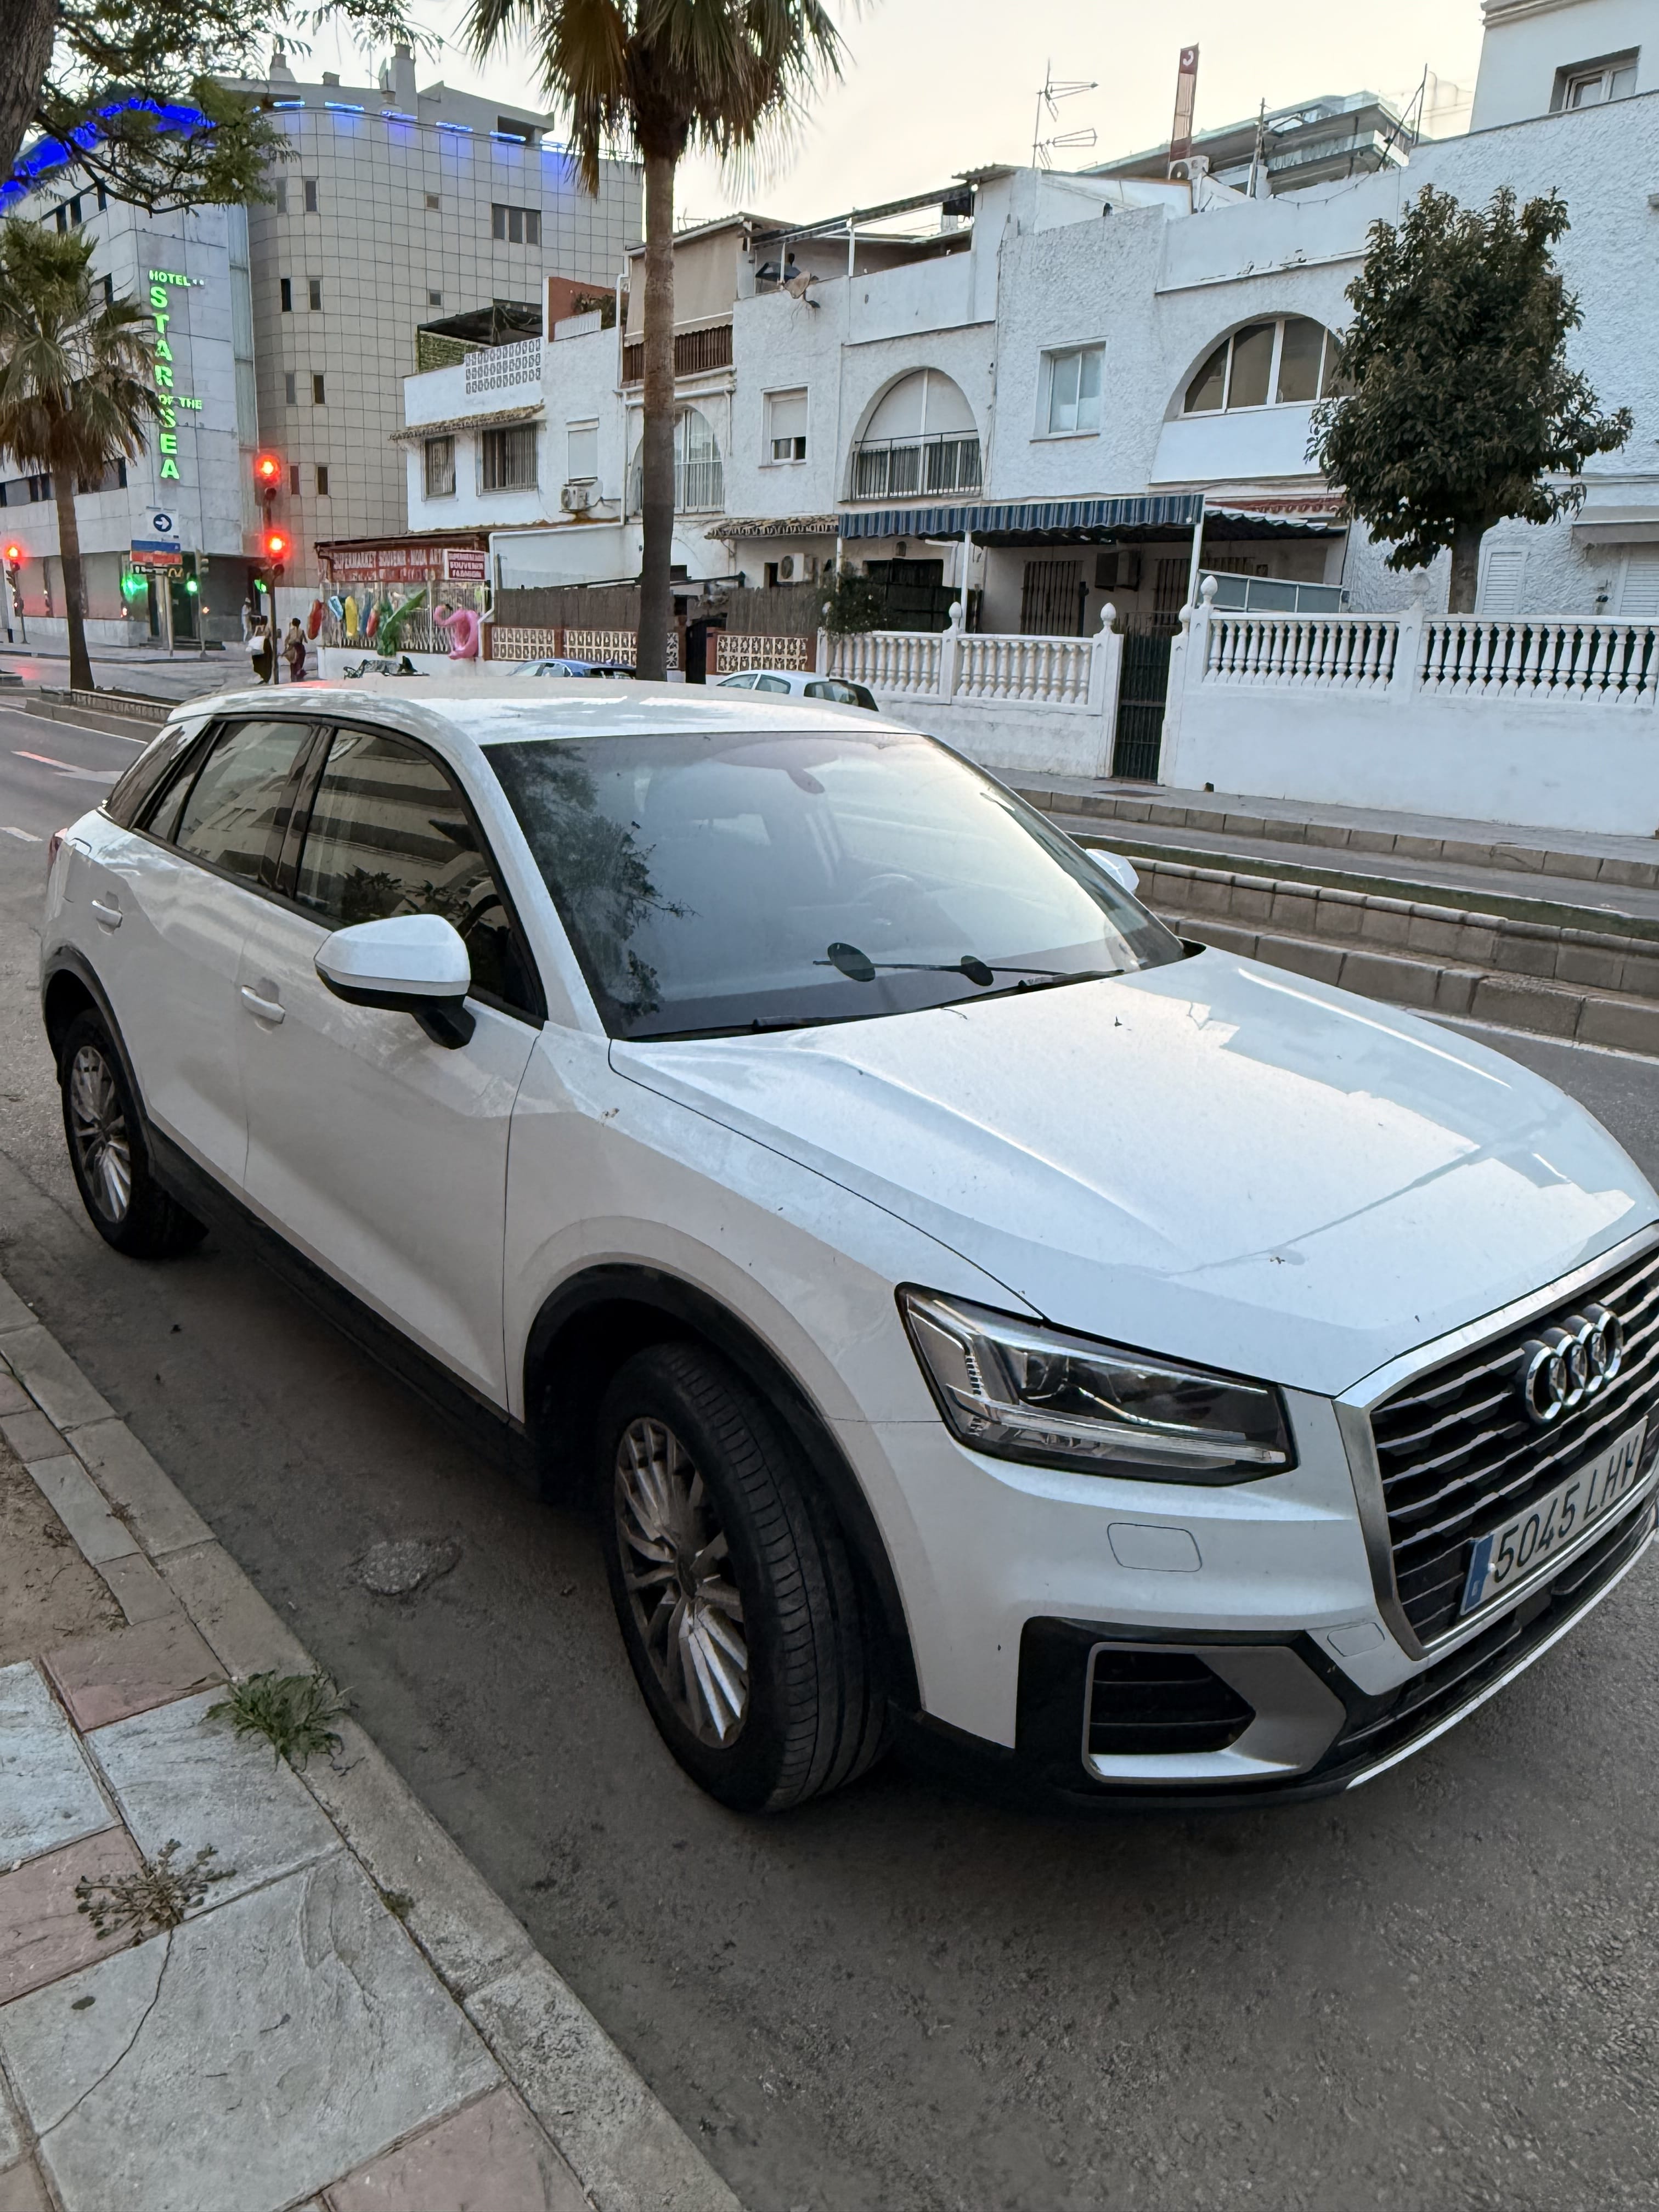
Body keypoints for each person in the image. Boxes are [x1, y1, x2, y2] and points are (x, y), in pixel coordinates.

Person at [249, 615, 275, 684]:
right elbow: (269, 636)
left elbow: (254, 636)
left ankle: (263, 676)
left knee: (260, 660)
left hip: (260, 644)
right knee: (267, 660)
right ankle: (266, 677)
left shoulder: (258, 628)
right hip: (266, 644)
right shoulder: (268, 628)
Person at [284, 617, 307, 682]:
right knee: (299, 662)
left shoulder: (291, 631)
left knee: (293, 663)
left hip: (292, 647)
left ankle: (293, 676)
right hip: (299, 647)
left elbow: (287, 639)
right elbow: (305, 641)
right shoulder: (301, 631)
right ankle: (297, 675)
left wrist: (286, 646)